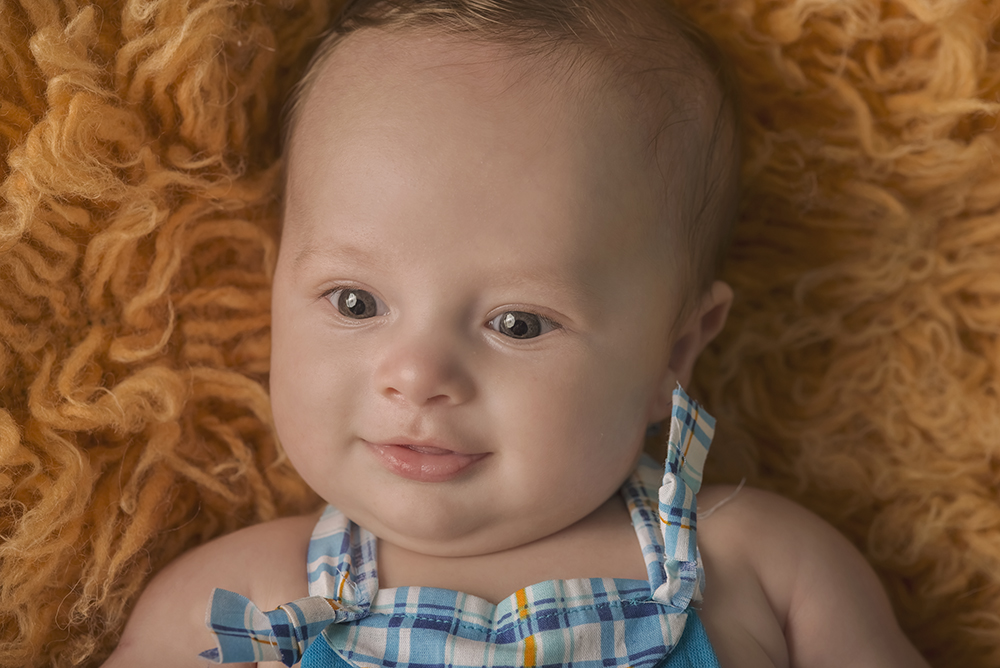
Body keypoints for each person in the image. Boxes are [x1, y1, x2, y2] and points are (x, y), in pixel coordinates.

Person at [101, 0, 931, 666]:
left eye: (517, 323)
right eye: (355, 302)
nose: (418, 375)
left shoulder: (764, 565)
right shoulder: (234, 605)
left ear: (674, 353)